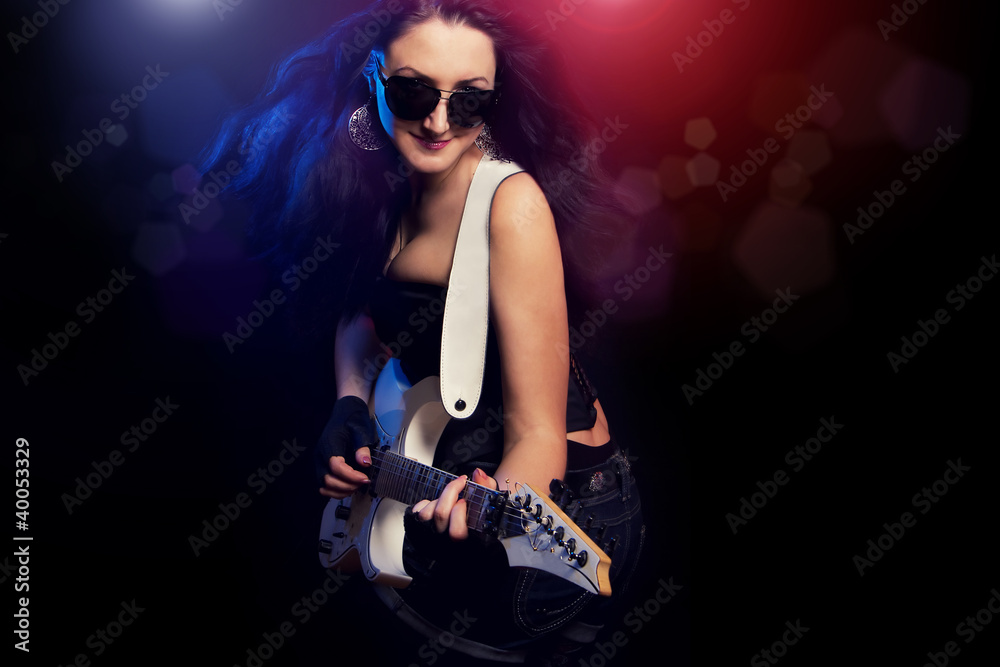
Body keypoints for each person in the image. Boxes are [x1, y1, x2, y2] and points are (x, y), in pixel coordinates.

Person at [202, 1, 644, 664]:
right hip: (428, 466)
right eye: (413, 92)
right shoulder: (365, 179)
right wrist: (350, 400)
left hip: (561, 505)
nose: (438, 123)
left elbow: (538, 432)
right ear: (373, 74)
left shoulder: (510, 205)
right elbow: (357, 305)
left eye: (469, 101)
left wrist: (492, 504)